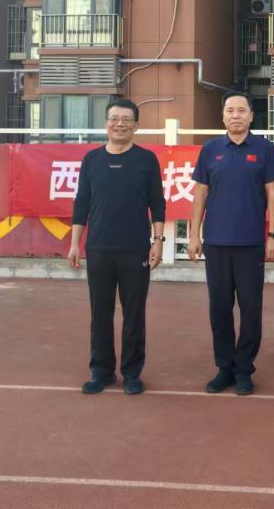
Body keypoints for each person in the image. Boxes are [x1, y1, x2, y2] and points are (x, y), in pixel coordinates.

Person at [68, 98, 166, 396]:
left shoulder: (146, 159)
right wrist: (75, 243)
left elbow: (157, 203)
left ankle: (132, 373)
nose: (119, 124)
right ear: (106, 123)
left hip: (135, 249)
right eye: (114, 119)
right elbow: (82, 203)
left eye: (126, 119)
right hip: (99, 248)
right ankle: (101, 371)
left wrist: (158, 241)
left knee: (134, 314)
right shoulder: (91, 160)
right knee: (100, 313)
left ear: (135, 125)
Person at [189, 92, 274, 395]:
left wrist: (273, 234)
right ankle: (224, 367)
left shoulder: (264, 148)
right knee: (219, 308)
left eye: (242, 110)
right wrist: (194, 235)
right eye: (230, 110)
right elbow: (200, 195)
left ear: (251, 116)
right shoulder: (210, 150)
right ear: (223, 115)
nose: (236, 115)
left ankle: (244, 369)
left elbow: (272, 193)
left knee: (251, 308)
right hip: (216, 242)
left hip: (251, 243)